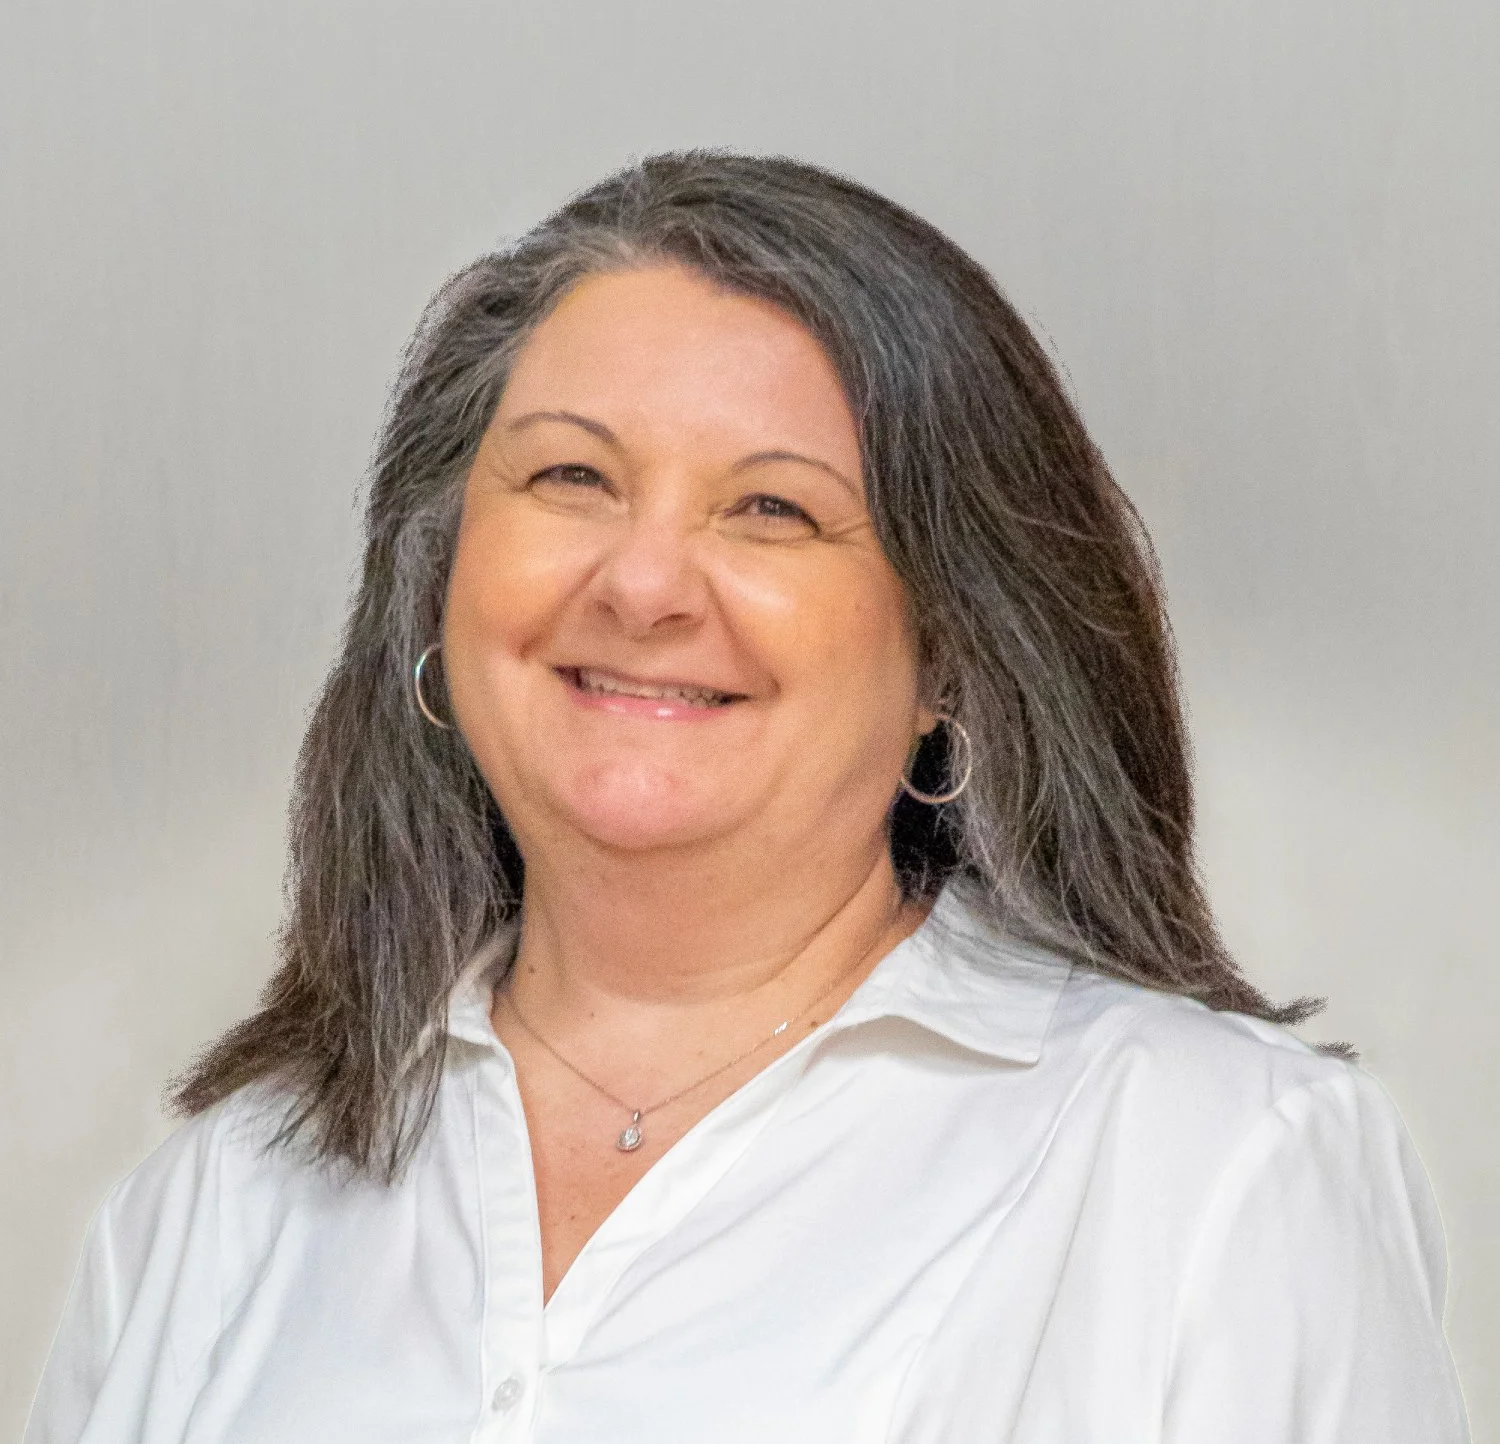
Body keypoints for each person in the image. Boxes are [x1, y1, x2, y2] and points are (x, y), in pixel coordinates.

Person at [26, 153, 1468, 1443]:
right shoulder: (221, 1203)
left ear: (953, 658)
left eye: (771, 508)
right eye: (571, 476)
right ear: (438, 590)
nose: (642, 583)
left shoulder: (1213, 1170)